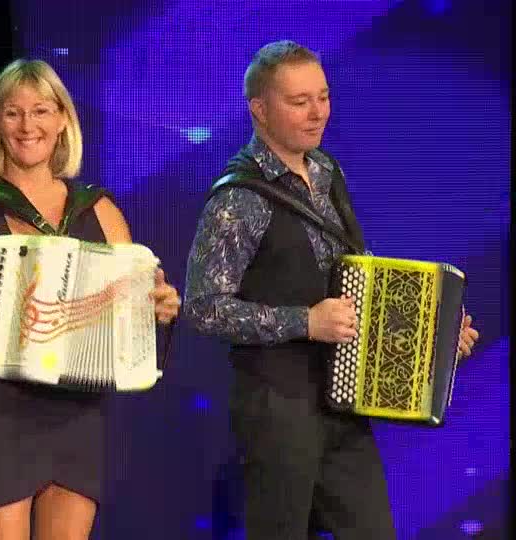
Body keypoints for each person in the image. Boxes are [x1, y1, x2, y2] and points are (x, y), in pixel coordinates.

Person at [183, 40, 480, 540]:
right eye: (300, 101)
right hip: (276, 408)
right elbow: (203, 307)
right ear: (259, 109)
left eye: (322, 96)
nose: (317, 112)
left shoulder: (326, 170)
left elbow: (358, 288)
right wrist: (306, 321)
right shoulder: (238, 196)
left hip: (343, 405)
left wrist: (436, 342)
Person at [0, 58, 181, 539]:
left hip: (79, 408)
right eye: (13, 113)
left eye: (41, 111)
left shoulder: (101, 210)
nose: (28, 126)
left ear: (63, 120)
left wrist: (159, 309)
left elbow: (134, 310)